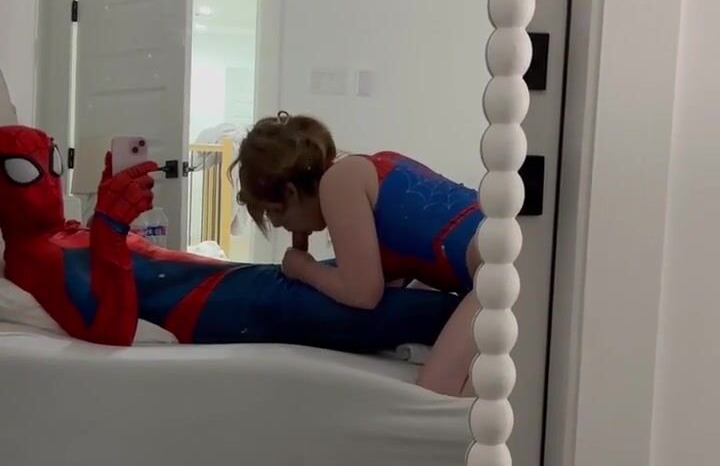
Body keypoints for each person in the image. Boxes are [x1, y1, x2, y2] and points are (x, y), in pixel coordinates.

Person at [0, 124, 459, 354]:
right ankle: (475, 312)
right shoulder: (32, 258)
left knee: (348, 279)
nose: (49, 181)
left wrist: (109, 228)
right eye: (24, 172)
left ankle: (464, 293)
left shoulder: (67, 233)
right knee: (407, 311)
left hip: (227, 285)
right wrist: (109, 229)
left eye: (53, 162)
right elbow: (110, 332)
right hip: (208, 307)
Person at [232, 114, 484, 396]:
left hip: (498, 268)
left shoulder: (338, 182)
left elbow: (363, 293)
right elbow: (393, 273)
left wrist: (303, 267)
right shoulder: (367, 168)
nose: (279, 224)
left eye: (274, 212)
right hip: (501, 258)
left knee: (438, 390)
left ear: (291, 192)